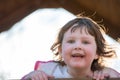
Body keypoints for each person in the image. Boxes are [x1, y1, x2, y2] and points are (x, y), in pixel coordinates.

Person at [22, 16, 120, 80]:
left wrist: (113, 76)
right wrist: (31, 76)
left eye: (85, 42)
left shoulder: (101, 75)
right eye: (71, 41)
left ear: (97, 52)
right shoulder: (49, 70)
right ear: (60, 50)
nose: (77, 46)